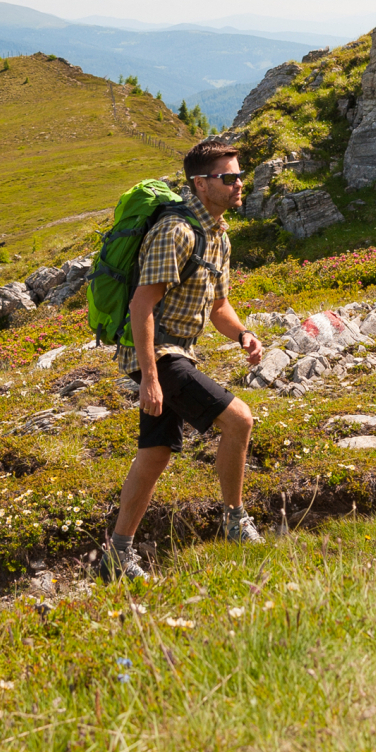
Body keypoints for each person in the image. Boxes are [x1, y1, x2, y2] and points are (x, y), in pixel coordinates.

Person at [105, 136, 266, 581]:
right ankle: (235, 522)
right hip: (158, 353)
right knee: (239, 420)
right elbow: (141, 305)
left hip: (178, 353)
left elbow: (219, 306)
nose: (238, 183)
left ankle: (117, 556)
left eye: (239, 175)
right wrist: (150, 377)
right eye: (227, 177)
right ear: (200, 184)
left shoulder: (218, 235)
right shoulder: (176, 231)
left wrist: (243, 334)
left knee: (155, 453)